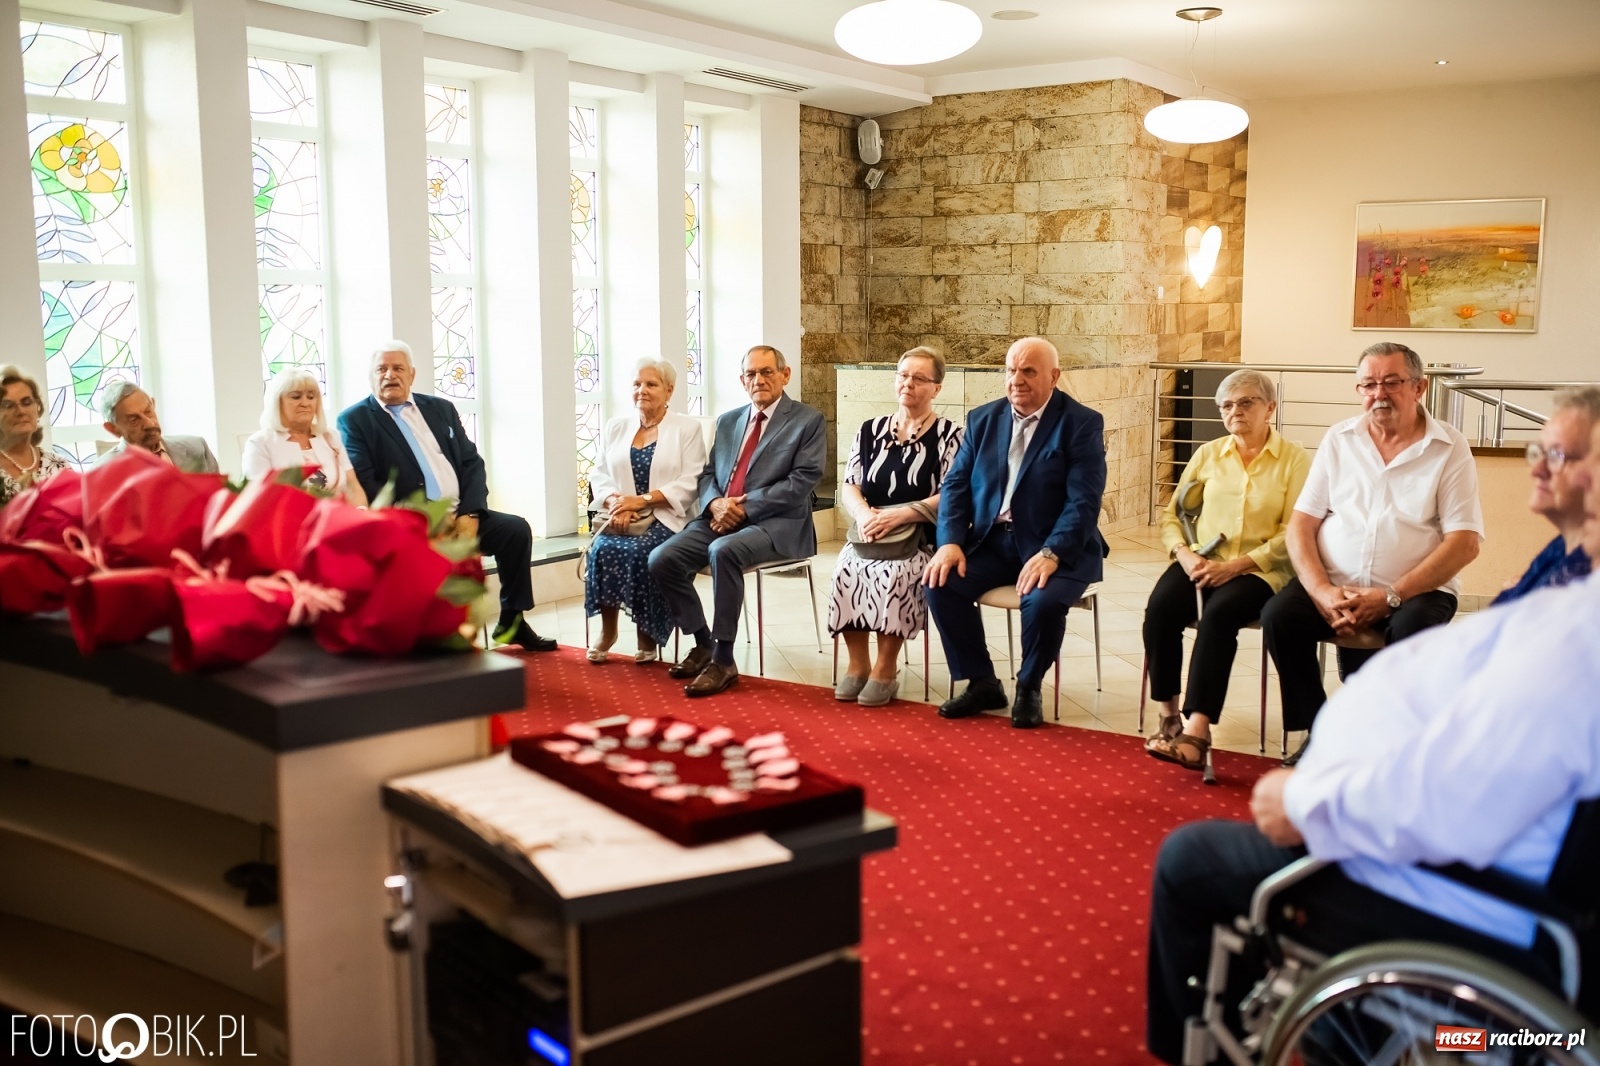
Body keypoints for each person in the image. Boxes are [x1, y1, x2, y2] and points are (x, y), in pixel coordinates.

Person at [1144, 411, 1600, 1064]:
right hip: (1467, 851)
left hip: (1464, 894)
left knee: (1190, 859)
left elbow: (1457, 799)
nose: (1536, 462)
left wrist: (1307, 805)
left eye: (1561, 453)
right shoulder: (1569, 580)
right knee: (1283, 617)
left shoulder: (1579, 636)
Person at [1260, 342, 1481, 762]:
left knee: (1413, 632)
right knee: (1280, 618)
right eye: (1368, 384)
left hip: (1417, 591)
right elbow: (1301, 526)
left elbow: (1464, 542)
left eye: (1392, 382)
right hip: (1336, 582)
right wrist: (1322, 590)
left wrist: (1391, 596)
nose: (1378, 394)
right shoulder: (1340, 438)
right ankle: (1322, 732)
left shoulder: (1450, 447)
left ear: (1420, 388)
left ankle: (1389, 742)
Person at [923, 336, 1109, 729]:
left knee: (1041, 603)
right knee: (940, 583)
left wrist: (1052, 552)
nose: (1017, 380)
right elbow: (955, 486)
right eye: (1011, 370)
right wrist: (950, 542)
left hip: (1056, 546)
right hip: (995, 540)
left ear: (1054, 376)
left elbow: (1084, 500)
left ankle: (1029, 686)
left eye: (1028, 371)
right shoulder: (983, 419)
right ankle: (982, 682)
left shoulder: (1081, 423)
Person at [337, 340, 555, 651]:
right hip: (410, 525)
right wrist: (428, 519)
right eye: (381, 369)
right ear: (370, 376)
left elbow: (471, 463)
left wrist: (471, 513)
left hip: (462, 514)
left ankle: (512, 621)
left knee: (515, 530)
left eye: (397, 368)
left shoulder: (440, 409)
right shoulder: (355, 420)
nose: (389, 375)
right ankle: (443, 634)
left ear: (412, 374)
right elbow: (369, 483)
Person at [1144, 369, 1311, 771]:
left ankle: (1197, 730)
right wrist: (1183, 554)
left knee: (1219, 617)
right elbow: (1172, 515)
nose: (1235, 411)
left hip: (1261, 570)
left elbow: (1295, 532)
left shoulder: (1294, 460)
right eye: (1227, 405)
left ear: (1270, 407)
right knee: (1161, 610)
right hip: (1202, 560)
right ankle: (1168, 717)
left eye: (1247, 402)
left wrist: (1238, 566)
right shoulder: (1208, 453)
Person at [648, 345, 826, 697]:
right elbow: (709, 472)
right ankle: (702, 644)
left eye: (766, 372)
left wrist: (744, 508)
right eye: (751, 374)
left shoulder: (808, 420)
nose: (758, 380)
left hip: (777, 523)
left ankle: (724, 659)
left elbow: (802, 481)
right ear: (742, 380)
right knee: (662, 559)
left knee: (723, 551)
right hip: (720, 517)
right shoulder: (729, 421)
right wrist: (715, 503)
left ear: (784, 374)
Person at [830, 347, 964, 707]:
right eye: (903, 375)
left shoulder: (951, 435)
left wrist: (903, 514)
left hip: (919, 535)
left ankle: (885, 670)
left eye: (919, 378)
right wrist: (863, 515)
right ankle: (858, 665)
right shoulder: (870, 430)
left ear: (936, 388)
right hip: (871, 529)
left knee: (896, 576)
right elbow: (850, 484)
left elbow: (953, 493)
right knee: (846, 569)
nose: (908, 383)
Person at [584, 358, 708, 664]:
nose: (643, 390)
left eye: (651, 384)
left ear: (669, 390)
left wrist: (641, 501)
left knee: (642, 553)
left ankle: (647, 632)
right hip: (621, 514)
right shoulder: (617, 426)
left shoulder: (687, 428)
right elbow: (599, 472)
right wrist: (615, 501)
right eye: (637, 384)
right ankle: (608, 630)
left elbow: (692, 480)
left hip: (668, 515)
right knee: (602, 548)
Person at [1491, 385, 1599, 605]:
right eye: (1539, 452)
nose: (1536, 470)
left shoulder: (1585, 574)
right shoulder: (1561, 548)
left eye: (1556, 455)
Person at [242, 367, 368, 506]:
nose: (305, 403)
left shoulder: (330, 436)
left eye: (311, 397)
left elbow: (353, 487)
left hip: (338, 518)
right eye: (296, 397)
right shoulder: (260, 443)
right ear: (277, 402)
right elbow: (258, 499)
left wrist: (362, 513)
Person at [101, 382, 220, 473]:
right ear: (112, 429)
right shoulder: (103, 472)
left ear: (153, 404)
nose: (149, 424)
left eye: (148, 411)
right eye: (134, 420)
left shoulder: (197, 448)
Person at [0, 365, 68, 506]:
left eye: (27, 402)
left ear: (38, 408)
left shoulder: (58, 464)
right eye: (8, 405)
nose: (20, 411)